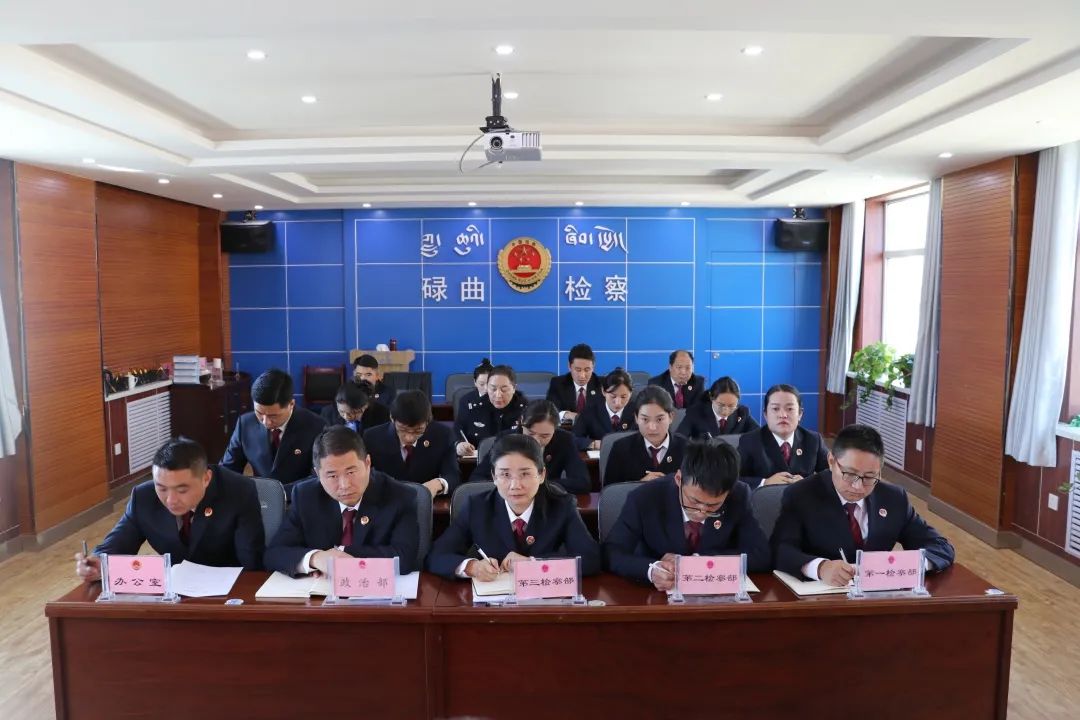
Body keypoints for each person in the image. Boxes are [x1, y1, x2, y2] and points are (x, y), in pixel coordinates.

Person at [772, 424, 955, 586]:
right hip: (822, 597)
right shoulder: (801, 494)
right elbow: (781, 550)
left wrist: (912, 565)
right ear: (831, 462)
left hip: (878, 599)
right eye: (850, 474)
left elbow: (940, 546)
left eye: (869, 477)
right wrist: (820, 568)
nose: (858, 486)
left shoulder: (893, 498)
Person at [75, 438, 264, 581]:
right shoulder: (144, 497)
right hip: (173, 591)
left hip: (227, 587)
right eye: (162, 488)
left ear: (206, 478)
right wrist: (98, 563)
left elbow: (251, 563)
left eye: (182, 490)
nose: (170, 500)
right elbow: (118, 542)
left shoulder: (238, 491)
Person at [427, 434, 601, 580]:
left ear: (541, 475)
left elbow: (591, 559)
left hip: (543, 599)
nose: (515, 485)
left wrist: (532, 564)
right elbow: (438, 555)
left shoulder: (562, 505)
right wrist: (472, 567)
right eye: (505, 475)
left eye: (525, 474)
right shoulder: (477, 507)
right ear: (494, 477)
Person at [604, 439, 771, 588]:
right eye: (694, 501)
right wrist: (651, 569)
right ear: (678, 479)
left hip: (716, 595)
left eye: (713, 505)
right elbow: (612, 552)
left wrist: (698, 561)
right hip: (656, 596)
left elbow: (761, 554)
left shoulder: (739, 495)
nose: (701, 513)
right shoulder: (645, 498)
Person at [263, 426, 420, 576]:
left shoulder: (399, 496)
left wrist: (337, 556)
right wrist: (315, 558)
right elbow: (275, 554)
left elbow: (404, 558)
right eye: (332, 476)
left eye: (351, 472)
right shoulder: (306, 496)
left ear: (367, 463)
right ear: (318, 473)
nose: (344, 485)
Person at [221, 368, 326, 486]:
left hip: (298, 494)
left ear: (291, 404)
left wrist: (282, 493)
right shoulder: (245, 424)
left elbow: (318, 476)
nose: (266, 422)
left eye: (273, 416)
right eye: (259, 413)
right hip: (259, 494)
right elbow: (228, 469)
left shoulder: (316, 426)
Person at [473, 400, 590, 493]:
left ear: (555, 428)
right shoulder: (506, 439)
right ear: (522, 422)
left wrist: (537, 484)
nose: (536, 441)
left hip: (546, 499)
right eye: (531, 434)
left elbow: (582, 482)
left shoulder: (564, 439)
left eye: (545, 436)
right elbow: (477, 478)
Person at [363, 389, 459, 498]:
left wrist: (437, 484)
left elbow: (453, 476)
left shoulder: (443, 435)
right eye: (403, 429)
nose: (409, 438)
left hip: (426, 501)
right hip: (385, 501)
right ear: (392, 418)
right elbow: (365, 476)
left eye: (418, 431)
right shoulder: (372, 437)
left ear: (428, 421)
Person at [738, 384, 828, 487]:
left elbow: (833, 473)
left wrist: (808, 483)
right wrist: (764, 482)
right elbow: (733, 479)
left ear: (800, 414)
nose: (783, 415)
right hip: (765, 497)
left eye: (789, 409)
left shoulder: (813, 440)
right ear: (765, 414)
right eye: (775, 409)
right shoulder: (749, 441)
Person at [604, 386, 688, 486]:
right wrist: (640, 485)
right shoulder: (620, 448)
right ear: (636, 418)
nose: (652, 427)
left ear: (671, 417)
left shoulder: (687, 448)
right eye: (645, 419)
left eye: (659, 419)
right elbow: (610, 492)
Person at [453, 364, 527, 456]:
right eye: (493, 389)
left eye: (504, 390)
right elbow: (458, 430)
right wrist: (459, 444)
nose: (498, 395)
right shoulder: (475, 407)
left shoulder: (525, 409)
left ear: (514, 388)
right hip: (476, 461)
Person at [571, 368, 637, 450]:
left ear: (631, 394)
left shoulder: (638, 412)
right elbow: (574, 439)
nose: (618, 403)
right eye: (613, 396)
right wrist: (594, 444)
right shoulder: (590, 411)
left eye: (623, 397)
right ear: (603, 391)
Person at [676, 376, 760, 439]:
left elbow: (760, 435)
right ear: (711, 397)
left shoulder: (742, 413)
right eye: (721, 405)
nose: (725, 410)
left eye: (731, 406)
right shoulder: (696, 412)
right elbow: (679, 438)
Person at [546, 343, 603, 424]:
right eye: (578, 370)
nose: (582, 376)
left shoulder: (601, 384)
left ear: (593, 367)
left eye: (587, 370)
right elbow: (550, 410)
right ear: (569, 366)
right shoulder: (558, 383)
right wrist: (568, 415)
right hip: (567, 429)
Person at [320, 379, 391, 433]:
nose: (346, 417)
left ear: (366, 405)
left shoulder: (382, 414)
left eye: (353, 412)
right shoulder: (328, 413)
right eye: (341, 412)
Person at [454, 358, 494, 425]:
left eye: (489, 384)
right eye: (482, 384)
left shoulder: (502, 399)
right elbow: (461, 426)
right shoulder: (466, 401)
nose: (486, 388)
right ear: (475, 382)